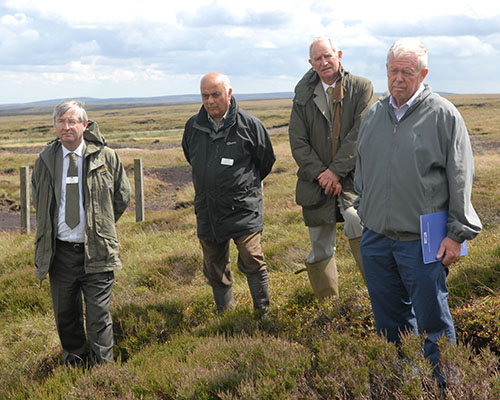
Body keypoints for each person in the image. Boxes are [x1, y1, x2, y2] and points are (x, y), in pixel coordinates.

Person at [354, 38, 482, 386]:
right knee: (389, 324)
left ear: (423, 73)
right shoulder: (375, 114)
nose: (398, 78)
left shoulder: (442, 114)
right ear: (386, 70)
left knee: (434, 323)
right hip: (377, 240)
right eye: (393, 70)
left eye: (407, 72)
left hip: (424, 242)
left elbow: (460, 176)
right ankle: (405, 386)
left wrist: (457, 235)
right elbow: (362, 168)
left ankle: (446, 388)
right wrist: (363, 210)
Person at [32, 100, 131, 366]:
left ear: (84, 125)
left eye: (72, 121)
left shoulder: (106, 156)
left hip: (97, 250)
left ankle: (103, 371)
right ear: (55, 126)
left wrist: (100, 225)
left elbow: (122, 196)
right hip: (61, 253)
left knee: (99, 316)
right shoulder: (44, 160)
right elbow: (39, 199)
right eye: (61, 122)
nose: (67, 127)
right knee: (65, 315)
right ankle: (74, 364)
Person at [182, 72, 276, 315]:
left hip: (243, 207)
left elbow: (265, 161)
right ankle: (226, 315)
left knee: (251, 256)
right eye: (205, 96)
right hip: (208, 209)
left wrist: (242, 187)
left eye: (216, 94)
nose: (210, 101)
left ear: (229, 94)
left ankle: (262, 313)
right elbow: (190, 157)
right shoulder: (193, 126)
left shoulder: (249, 125)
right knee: (213, 264)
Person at [289, 36, 374, 299]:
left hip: (354, 178)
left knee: (358, 222)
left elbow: (361, 132)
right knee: (319, 243)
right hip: (315, 184)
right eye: (318, 58)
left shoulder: (361, 87)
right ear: (311, 63)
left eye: (328, 56)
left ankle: (380, 295)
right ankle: (329, 308)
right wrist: (322, 174)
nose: (324, 62)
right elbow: (298, 142)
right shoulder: (302, 97)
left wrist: (336, 171)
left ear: (338, 54)